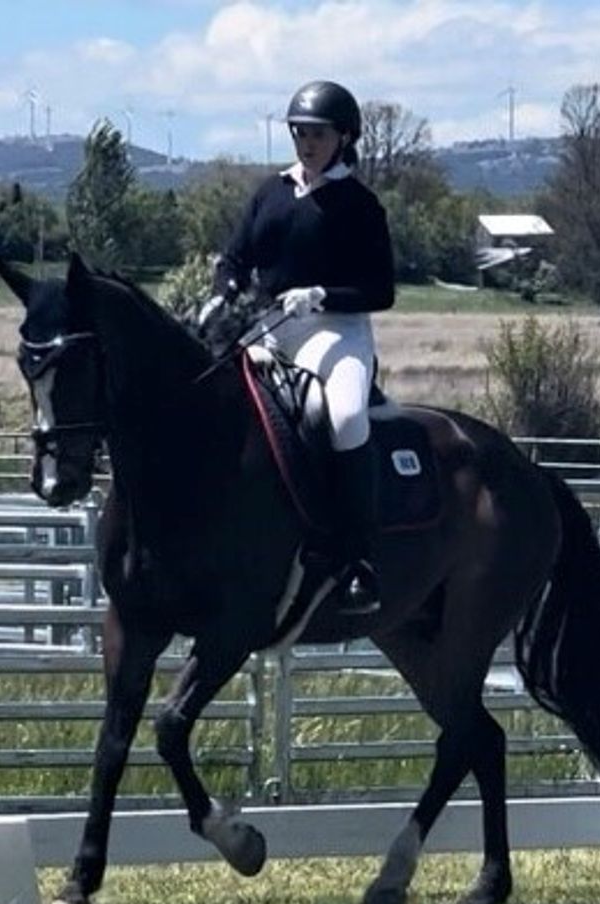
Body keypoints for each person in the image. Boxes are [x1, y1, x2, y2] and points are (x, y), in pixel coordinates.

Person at [199, 80, 395, 616]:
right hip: (267, 327)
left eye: (317, 135)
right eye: (300, 134)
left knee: (346, 417)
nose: (307, 144)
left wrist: (322, 295)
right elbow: (235, 258)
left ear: (343, 138)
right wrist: (221, 294)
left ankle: (357, 558)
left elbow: (382, 290)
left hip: (336, 330)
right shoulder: (271, 192)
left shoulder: (360, 205)